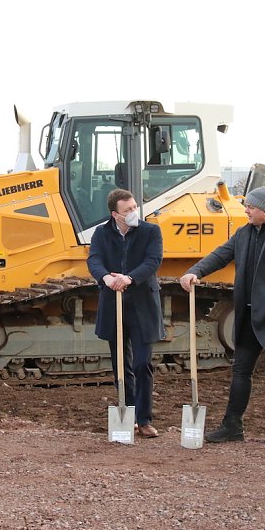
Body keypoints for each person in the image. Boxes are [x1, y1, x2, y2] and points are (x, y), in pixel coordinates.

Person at [179, 187, 265, 444]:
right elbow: (220, 255)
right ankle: (232, 426)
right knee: (241, 371)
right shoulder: (243, 234)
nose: (246, 210)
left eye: (251, 206)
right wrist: (195, 271)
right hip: (248, 315)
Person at [87, 188, 165, 439]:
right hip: (114, 306)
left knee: (142, 363)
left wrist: (129, 278)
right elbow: (94, 260)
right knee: (121, 365)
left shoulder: (150, 231)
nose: (133, 212)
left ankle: (144, 419)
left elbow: (153, 261)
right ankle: (128, 414)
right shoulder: (101, 234)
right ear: (115, 215)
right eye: (128, 210)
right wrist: (106, 278)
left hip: (143, 306)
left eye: (134, 207)